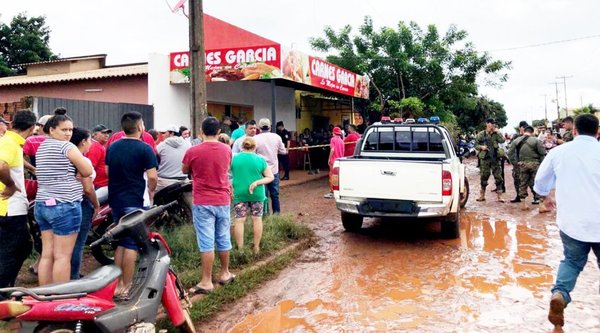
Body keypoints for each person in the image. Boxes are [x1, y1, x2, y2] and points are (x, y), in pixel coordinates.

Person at [533, 114, 600, 329]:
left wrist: (546, 196)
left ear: (574, 131)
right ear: (598, 132)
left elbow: (540, 182)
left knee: (571, 262)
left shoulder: (559, 152)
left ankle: (560, 294)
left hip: (572, 222)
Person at [35, 109, 93, 285]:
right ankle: (60, 297)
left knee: (47, 254)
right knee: (62, 257)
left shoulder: (42, 146)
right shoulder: (68, 147)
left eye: (70, 130)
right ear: (51, 130)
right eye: (64, 129)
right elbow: (87, 171)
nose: (68, 133)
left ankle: (45, 294)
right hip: (64, 205)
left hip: (43, 203)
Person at [106, 111, 158, 292]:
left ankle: (118, 284)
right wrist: (151, 191)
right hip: (136, 200)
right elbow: (152, 177)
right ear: (140, 127)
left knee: (120, 241)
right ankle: (126, 285)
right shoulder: (145, 149)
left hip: (116, 200)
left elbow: (107, 171)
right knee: (131, 244)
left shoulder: (112, 147)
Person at [182, 117, 234, 294]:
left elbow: (184, 169)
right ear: (219, 132)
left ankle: (206, 281)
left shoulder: (193, 150)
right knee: (223, 236)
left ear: (201, 132)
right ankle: (225, 273)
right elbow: (226, 168)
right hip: (222, 198)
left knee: (206, 241)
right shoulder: (227, 149)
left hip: (203, 200)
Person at [0, 110, 36, 289]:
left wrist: (32, 169)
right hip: (9, 208)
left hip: (8, 208)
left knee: (22, 247)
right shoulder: (9, 144)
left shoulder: (9, 141)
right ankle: (3, 290)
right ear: (31, 128)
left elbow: (14, 160)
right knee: (12, 251)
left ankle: (7, 286)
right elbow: (1, 165)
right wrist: (11, 184)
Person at [231, 137, 274, 254]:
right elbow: (270, 177)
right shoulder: (260, 160)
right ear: (255, 147)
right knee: (257, 219)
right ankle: (256, 248)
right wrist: (257, 182)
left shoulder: (234, 159)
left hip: (239, 193)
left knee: (239, 220)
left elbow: (226, 173)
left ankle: (240, 249)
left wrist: (231, 185)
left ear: (241, 146)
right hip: (257, 193)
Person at [69, 128, 100, 280]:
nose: (91, 144)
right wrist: (96, 204)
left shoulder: (62, 156)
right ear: (83, 142)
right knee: (78, 243)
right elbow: (88, 189)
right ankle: (74, 277)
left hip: (63, 201)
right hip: (81, 202)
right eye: (89, 140)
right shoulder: (82, 160)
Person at [508, 126, 545, 211]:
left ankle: (523, 204)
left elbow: (510, 153)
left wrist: (516, 163)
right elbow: (542, 154)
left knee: (523, 183)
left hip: (522, 164)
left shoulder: (516, 141)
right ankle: (541, 205)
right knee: (536, 183)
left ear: (524, 131)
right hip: (534, 164)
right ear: (532, 132)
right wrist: (541, 165)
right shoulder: (536, 140)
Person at [254, 118, 287, 214]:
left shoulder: (255, 138)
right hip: (273, 171)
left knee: (262, 195)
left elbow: (253, 154)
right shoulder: (276, 137)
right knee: (275, 194)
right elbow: (283, 151)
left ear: (259, 128)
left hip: (260, 171)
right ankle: (276, 214)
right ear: (270, 127)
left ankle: (264, 214)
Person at [475, 118, 506, 202]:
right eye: (491, 123)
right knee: (484, 176)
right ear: (487, 124)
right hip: (485, 158)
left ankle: (500, 196)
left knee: (498, 177)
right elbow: (476, 144)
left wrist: (498, 132)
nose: (493, 125)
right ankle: (482, 195)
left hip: (495, 158)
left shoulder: (496, 134)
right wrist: (481, 147)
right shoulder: (481, 134)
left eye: (494, 123)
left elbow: (502, 140)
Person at [156, 124, 191, 191]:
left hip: (164, 183)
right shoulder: (188, 145)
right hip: (184, 182)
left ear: (171, 133)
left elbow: (156, 163)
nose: (163, 135)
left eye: (165, 133)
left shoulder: (161, 146)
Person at [86, 124, 111, 188]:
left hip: (101, 184)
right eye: (103, 133)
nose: (107, 135)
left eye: (107, 133)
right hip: (99, 185)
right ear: (94, 134)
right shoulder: (95, 146)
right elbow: (90, 169)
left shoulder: (99, 146)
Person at [324, 127, 344, 199]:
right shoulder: (342, 141)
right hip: (340, 161)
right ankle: (337, 191)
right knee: (338, 176)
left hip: (334, 160)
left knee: (332, 176)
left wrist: (329, 159)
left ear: (333, 133)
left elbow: (332, 149)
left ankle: (332, 191)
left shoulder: (333, 140)